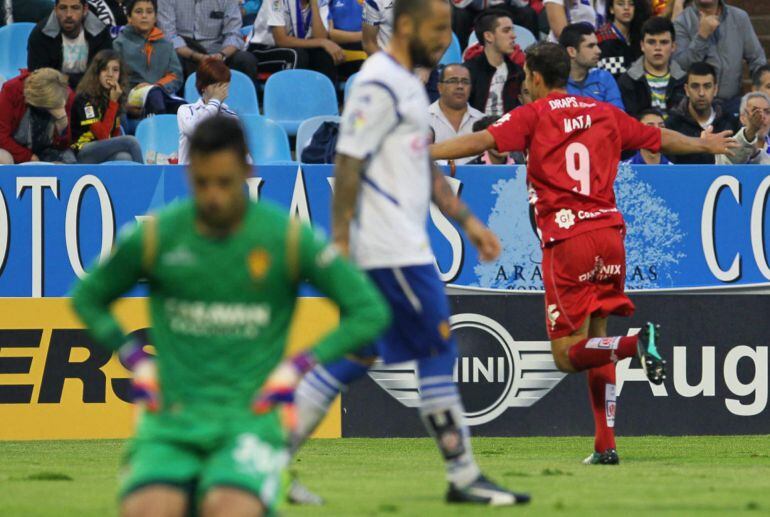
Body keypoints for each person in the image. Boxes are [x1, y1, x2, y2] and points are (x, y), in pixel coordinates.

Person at [430, 41, 737, 465]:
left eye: (528, 82)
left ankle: (636, 344)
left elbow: (480, 140)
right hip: (609, 235)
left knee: (565, 355)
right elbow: (656, 138)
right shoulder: (603, 112)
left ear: (536, 78)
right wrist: (705, 146)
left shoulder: (533, 114)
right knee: (599, 342)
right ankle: (605, 444)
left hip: (568, 239)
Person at [70, 115, 390, 517]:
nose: (213, 196)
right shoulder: (158, 235)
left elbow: (369, 310)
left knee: (228, 508)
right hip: (171, 421)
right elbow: (87, 298)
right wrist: (134, 358)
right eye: (201, 183)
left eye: (224, 182)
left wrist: (299, 366)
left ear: (246, 169)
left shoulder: (285, 237)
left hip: (250, 421)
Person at [289, 0, 530, 507]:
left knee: (361, 351)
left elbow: (421, 167)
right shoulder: (379, 82)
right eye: (437, 28)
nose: (445, 39)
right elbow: (349, 159)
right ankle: (463, 475)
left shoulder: (404, 84)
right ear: (405, 26)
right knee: (436, 350)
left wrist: (468, 222)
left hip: (401, 243)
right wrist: (339, 239)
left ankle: (262, 460)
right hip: (390, 247)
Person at [672, 0, 766, 115]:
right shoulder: (682, 21)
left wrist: (760, 88)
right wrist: (702, 37)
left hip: (733, 103)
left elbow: (757, 59)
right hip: (698, 107)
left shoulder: (739, 17)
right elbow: (681, 65)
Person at [157, 0, 259, 87]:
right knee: (170, 57)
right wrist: (198, 56)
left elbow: (234, 34)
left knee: (246, 59)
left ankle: (244, 105)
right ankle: (178, 105)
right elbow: (169, 37)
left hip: (219, 53)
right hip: (185, 52)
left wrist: (221, 55)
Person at [114, 0, 184, 120]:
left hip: (162, 93)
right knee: (155, 96)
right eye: (138, 12)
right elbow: (115, 79)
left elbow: (176, 76)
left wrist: (156, 86)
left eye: (149, 11)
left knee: (183, 107)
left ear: (155, 17)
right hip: (132, 96)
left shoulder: (166, 44)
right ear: (129, 18)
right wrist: (124, 103)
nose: (144, 16)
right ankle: (157, 132)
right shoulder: (119, 44)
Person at [70, 49, 143, 163]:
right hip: (83, 151)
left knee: (125, 158)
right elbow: (102, 135)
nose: (110, 74)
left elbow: (113, 135)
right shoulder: (85, 98)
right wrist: (113, 103)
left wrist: (114, 102)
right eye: (105, 69)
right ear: (97, 73)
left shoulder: (114, 95)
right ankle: (146, 179)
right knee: (131, 141)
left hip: (102, 150)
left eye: (115, 70)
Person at [247, 0, 344, 84]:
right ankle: (292, 102)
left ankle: (321, 101)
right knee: (297, 55)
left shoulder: (321, 1)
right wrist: (323, 42)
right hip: (261, 50)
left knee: (324, 56)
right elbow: (281, 40)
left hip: (296, 47)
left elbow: (320, 37)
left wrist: (314, 4)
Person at [27, 0, 113, 89]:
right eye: (63, 8)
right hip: (54, 93)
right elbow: (37, 77)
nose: (68, 14)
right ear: (55, 9)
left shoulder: (100, 32)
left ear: (85, 10)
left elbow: (105, 72)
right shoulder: (41, 34)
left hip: (89, 93)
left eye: (75, 8)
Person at [665, 61, 738, 164]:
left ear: (715, 89)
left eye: (707, 86)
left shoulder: (730, 122)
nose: (701, 93)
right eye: (695, 86)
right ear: (686, 90)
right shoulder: (672, 125)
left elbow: (740, 160)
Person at [0, 68, 76, 164]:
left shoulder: (65, 95)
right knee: (5, 159)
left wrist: (62, 120)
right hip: (13, 148)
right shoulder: (12, 89)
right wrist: (28, 156)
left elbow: (63, 145)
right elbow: (1, 136)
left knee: (68, 161)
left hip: (46, 150)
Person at [618, 16, 686, 118]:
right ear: (642, 46)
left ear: (673, 47)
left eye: (664, 42)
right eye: (651, 42)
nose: (657, 48)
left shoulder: (685, 81)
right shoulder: (627, 81)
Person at [177, 58, 238, 165]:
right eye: (216, 86)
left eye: (225, 86)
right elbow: (197, 133)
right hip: (187, 176)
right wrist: (215, 101)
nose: (221, 92)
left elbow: (241, 154)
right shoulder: (186, 110)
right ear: (203, 87)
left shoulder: (231, 117)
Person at [464, 9, 525, 117]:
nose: (513, 36)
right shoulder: (468, 72)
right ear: (488, 36)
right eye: (506, 31)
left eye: (512, 30)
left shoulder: (517, 73)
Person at [559, 22, 624, 109]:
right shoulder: (556, 83)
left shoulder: (605, 78)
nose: (598, 51)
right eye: (590, 46)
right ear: (571, 51)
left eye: (596, 45)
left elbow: (619, 115)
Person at [430, 63, 485, 164]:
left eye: (465, 82)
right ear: (439, 87)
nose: (460, 86)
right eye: (453, 81)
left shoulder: (482, 121)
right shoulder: (423, 119)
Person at [450, 0, 539, 50]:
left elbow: (523, 3)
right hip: (472, 10)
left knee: (528, 13)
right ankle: (460, 55)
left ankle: (534, 54)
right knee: (458, 15)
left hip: (502, 8)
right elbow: (459, 4)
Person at [596, 0, 650, 79]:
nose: (626, 8)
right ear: (611, 9)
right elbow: (608, 78)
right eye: (620, 4)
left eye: (631, 4)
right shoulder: (603, 38)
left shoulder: (640, 36)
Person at [715, 91, 770, 165]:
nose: (761, 116)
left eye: (767, 112)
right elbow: (731, 163)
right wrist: (752, 130)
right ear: (742, 118)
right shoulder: (725, 148)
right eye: (755, 111)